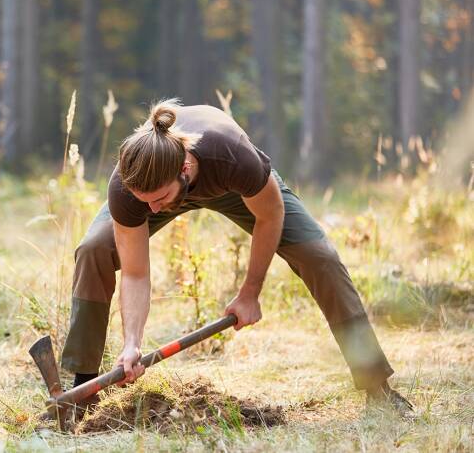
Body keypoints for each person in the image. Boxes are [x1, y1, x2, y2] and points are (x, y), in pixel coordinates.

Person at [60, 99, 412, 414]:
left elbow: (270, 216)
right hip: (168, 184)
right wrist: (131, 345)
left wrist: (250, 293)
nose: (151, 209)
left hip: (231, 186)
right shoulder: (130, 188)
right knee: (93, 250)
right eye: (144, 201)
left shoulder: (231, 155)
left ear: (184, 169)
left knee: (320, 257)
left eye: (157, 199)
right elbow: (136, 273)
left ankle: (376, 386)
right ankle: (83, 390)